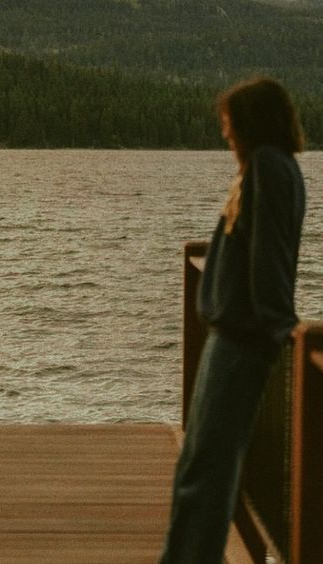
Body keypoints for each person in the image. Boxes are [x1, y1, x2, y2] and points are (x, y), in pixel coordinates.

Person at [159, 77, 305, 563]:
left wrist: (279, 325)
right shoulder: (263, 168)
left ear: (253, 122)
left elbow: (270, 256)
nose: (225, 132)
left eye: (230, 121)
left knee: (209, 470)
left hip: (243, 343)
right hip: (230, 339)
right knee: (198, 466)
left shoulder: (269, 167)